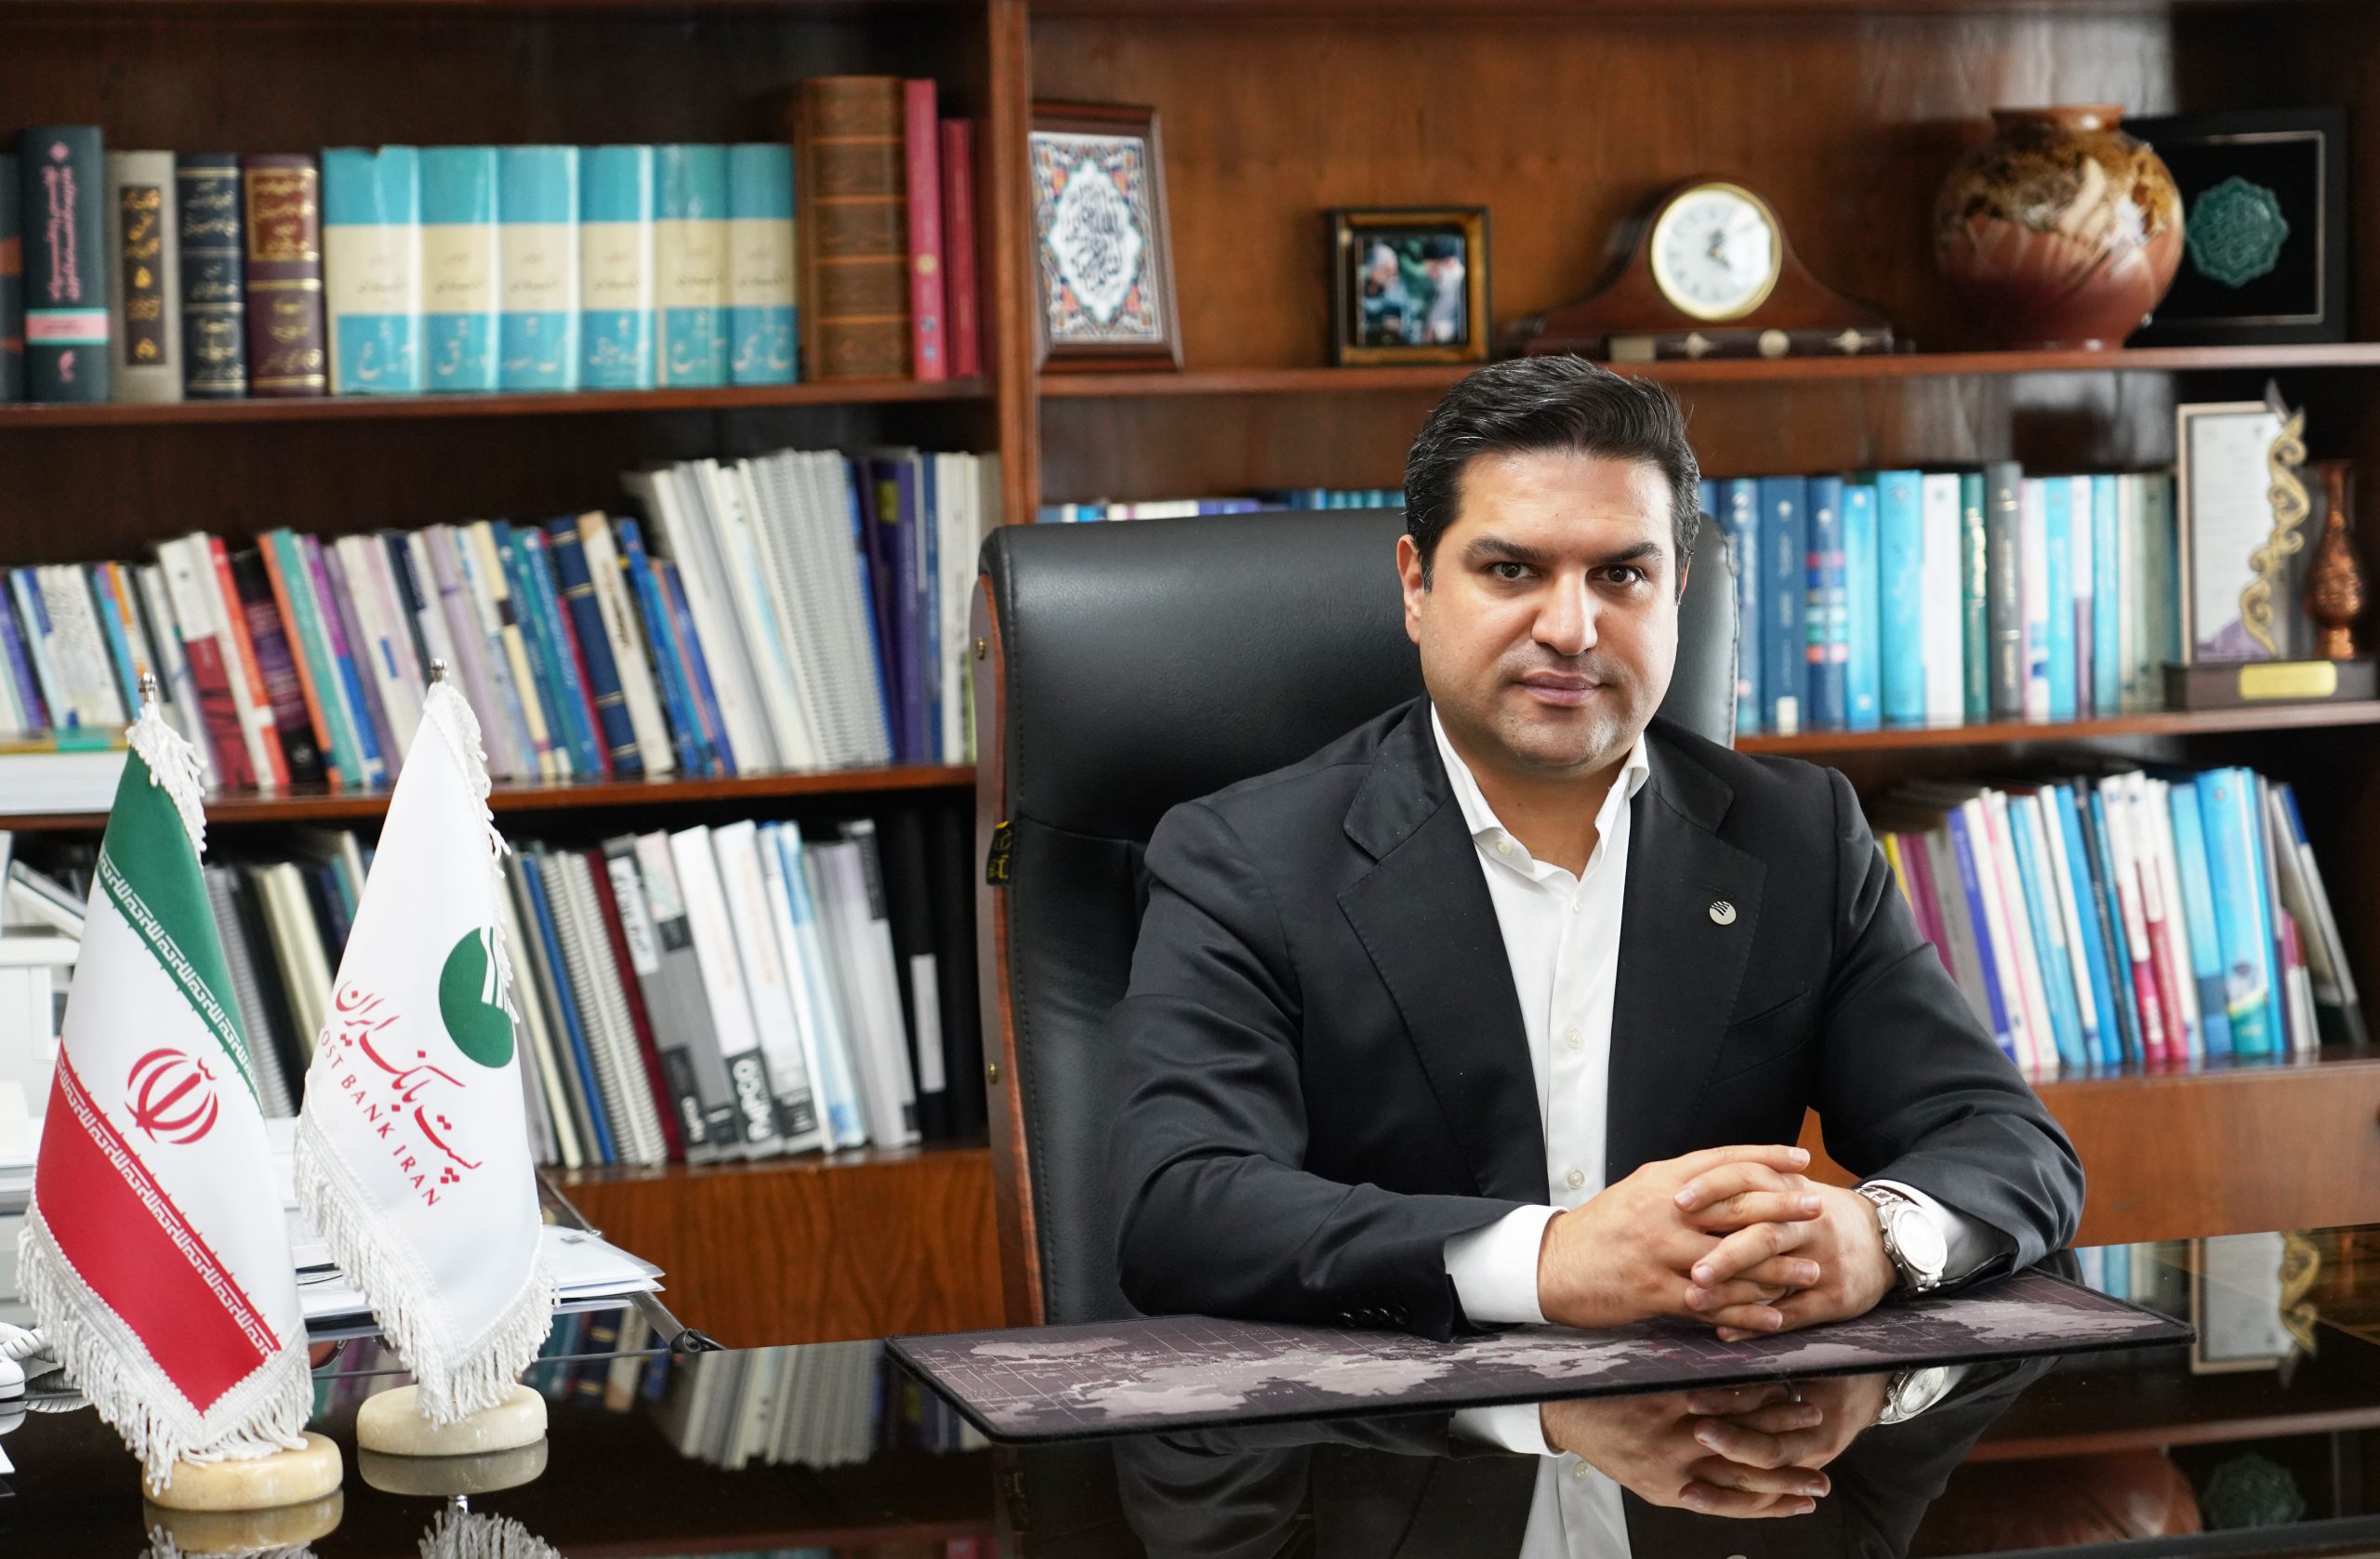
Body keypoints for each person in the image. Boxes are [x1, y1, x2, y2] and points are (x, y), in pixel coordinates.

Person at [1107, 354, 2084, 1344]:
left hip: (1713, 1423)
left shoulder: (1799, 836)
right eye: (1511, 570)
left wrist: (1881, 1238)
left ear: (1676, 593)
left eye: (1621, 574)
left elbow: (2010, 1144)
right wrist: (1548, 1260)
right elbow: (1181, 1207)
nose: (1571, 629)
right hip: (1394, 1426)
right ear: (1416, 585)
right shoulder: (1245, 860)